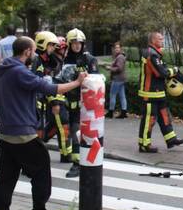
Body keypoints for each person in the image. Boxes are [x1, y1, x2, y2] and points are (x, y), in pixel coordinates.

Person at [0, 36, 86, 210]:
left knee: (6, 178)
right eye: (34, 51)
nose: (35, 54)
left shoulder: (3, 70)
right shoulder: (19, 72)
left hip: (5, 133)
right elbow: (50, 88)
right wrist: (77, 82)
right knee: (42, 170)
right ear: (27, 51)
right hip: (22, 134)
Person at [138, 32, 183, 153]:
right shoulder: (151, 54)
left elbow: (162, 69)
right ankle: (144, 144)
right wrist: (174, 71)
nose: (162, 41)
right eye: (160, 39)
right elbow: (161, 73)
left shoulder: (155, 53)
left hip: (159, 92)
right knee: (149, 120)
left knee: (165, 116)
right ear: (153, 40)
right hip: (150, 94)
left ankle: (171, 139)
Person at [61, 28, 99, 178]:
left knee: (79, 133)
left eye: (79, 43)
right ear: (69, 44)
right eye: (74, 43)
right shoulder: (64, 60)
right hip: (68, 104)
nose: (77, 45)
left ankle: (78, 164)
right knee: (71, 132)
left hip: (85, 105)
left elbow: (96, 81)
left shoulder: (89, 59)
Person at [31, 31, 71, 163]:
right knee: (36, 130)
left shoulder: (48, 61)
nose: (54, 48)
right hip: (36, 100)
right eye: (51, 45)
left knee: (43, 128)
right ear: (43, 45)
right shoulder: (36, 60)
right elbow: (41, 82)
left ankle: (34, 157)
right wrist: (54, 102)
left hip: (44, 100)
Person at [107, 42, 128, 119]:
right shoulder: (120, 56)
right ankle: (124, 112)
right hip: (121, 79)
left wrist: (110, 68)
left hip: (117, 79)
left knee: (112, 95)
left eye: (118, 48)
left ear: (121, 49)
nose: (116, 49)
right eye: (115, 48)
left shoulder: (120, 57)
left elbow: (119, 68)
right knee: (122, 96)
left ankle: (110, 112)